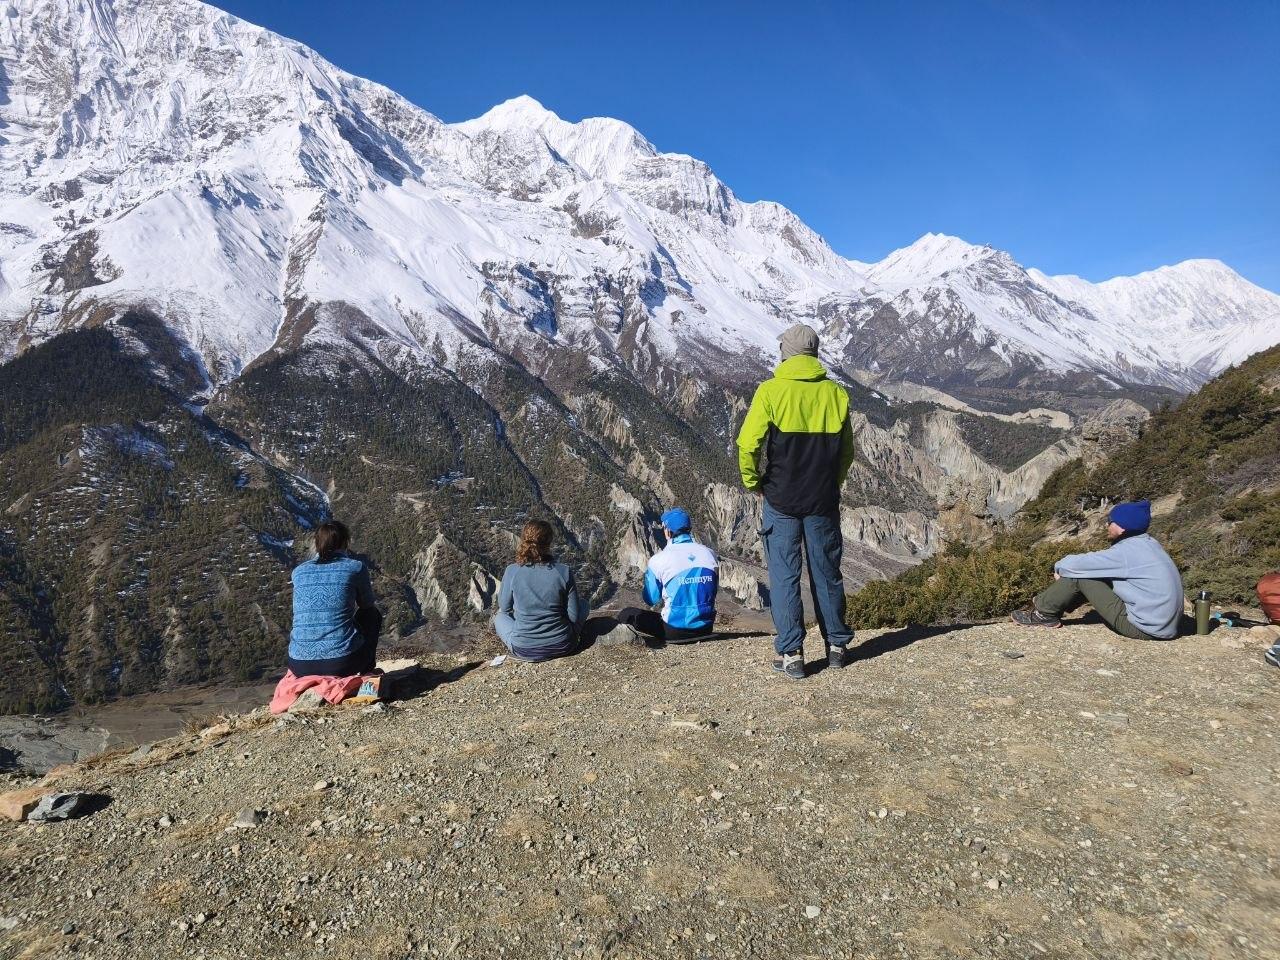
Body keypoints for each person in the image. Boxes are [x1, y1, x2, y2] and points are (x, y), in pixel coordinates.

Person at [736, 322, 856, 680]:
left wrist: (753, 482)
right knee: (826, 572)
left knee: (785, 575)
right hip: (822, 499)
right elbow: (846, 453)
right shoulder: (836, 394)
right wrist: (831, 483)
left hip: (781, 499)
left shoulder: (770, 392)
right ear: (814, 353)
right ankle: (837, 646)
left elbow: (748, 445)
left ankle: (792, 654)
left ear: (785, 352)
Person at [1012, 499, 1182, 640]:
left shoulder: (1126, 552)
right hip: (1165, 626)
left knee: (1080, 576)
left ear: (1122, 527)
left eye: (1110, 521)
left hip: (1143, 628)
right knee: (1093, 573)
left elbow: (1075, 565)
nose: (1107, 525)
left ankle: (1043, 613)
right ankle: (1052, 606)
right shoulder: (1149, 544)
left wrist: (1060, 569)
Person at [287, 520, 383, 676]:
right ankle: (367, 671)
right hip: (342, 663)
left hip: (298, 665)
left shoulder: (298, 572)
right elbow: (367, 605)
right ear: (345, 542)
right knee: (371, 615)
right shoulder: (355, 568)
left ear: (316, 543)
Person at [617, 507, 719, 644]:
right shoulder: (710, 553)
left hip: (674, 631)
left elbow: (650, 599)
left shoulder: (659, 560)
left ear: (668, 531)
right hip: (706, 627)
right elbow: (713, 589)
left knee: (627, 613)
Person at [494, 520, 586, 662]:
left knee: (499, 617)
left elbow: (505, 608)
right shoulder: (564, 571)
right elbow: (573, 617)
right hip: (563, 646)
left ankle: (525, 641)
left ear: (524, 539)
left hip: (524, 650)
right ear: (549, 542)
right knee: (584, 604)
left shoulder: (512, 571)